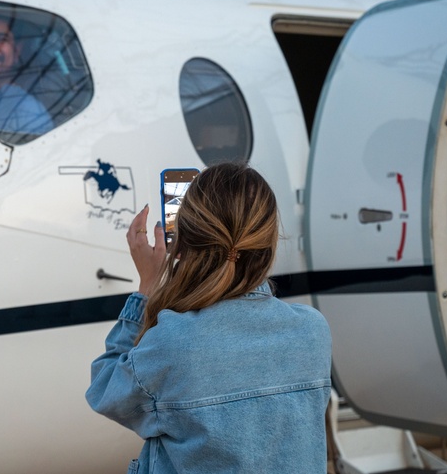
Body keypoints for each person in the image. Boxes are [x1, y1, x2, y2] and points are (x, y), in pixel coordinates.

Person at [86, 163, 332, 473]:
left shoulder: (175, 343)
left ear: (185, 243)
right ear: (268, 241)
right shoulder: (312, 331)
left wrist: (147, 288)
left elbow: (106, 390)